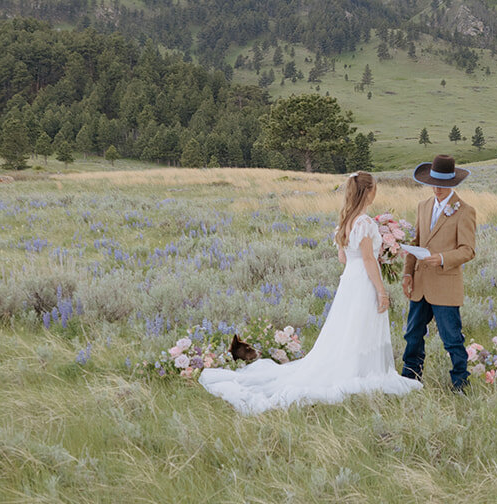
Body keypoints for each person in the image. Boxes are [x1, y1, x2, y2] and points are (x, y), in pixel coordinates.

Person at [198, 171, 422, 414]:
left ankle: (353, 367)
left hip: (350, 281)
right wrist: (382, 291)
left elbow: (343, 257)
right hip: (364, 280)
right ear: (367, 192)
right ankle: (364, 372)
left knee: (348, 327)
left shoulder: (346, 222)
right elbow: (368, 260)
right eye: (374, 188)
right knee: (361, 325)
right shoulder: (366, 223)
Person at [401, 152, 476, 392]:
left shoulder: (464, 211)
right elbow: (416, 241)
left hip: (445, 285)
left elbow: (468, 250)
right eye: (433, 184)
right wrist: (407, 274)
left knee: (452, 339)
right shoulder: (423, 206)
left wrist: (442, 258)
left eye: (442, 185)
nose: (436, 189)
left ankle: (460, 385)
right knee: (412, 335)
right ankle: (410, 381)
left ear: (452, 184)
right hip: (420, 284)